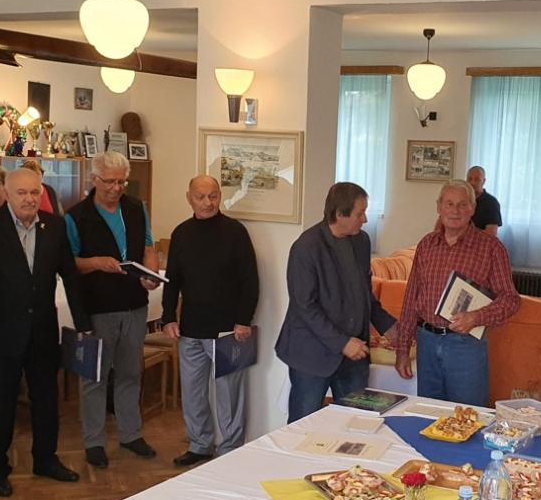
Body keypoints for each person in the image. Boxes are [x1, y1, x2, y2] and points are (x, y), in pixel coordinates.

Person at [0, 169, 91, 498]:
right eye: (21, 193)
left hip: (42, 330)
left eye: (34, 192)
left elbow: (70, 276)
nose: (29, 199)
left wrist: (83, 322)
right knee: (1, 404)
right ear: (6, 194)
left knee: (46, 400)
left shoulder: (54, 225)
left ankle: (46, 459)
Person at [64, 152, 159, 469]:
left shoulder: (136, 208)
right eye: (110, 182)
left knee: (130, 372)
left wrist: (150, 273)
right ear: (94, 179)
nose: (117, 188)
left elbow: (148, 246)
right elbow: (69, 262)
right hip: (98, 307)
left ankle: (131, 434)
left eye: (122, 182)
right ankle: (94, 442)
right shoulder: (76, 216)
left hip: (134, 304)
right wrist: (95, 263)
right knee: (95, 376)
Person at [393, 180, 520, 406]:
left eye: (463, 204)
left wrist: (476, 317)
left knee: (468, 415)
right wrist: (402, 349)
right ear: (439, 207)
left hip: (465, 345)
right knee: (428, 414)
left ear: (473, 208)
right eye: (449, 204)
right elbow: (411, 298)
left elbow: (511, 300)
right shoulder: (426, 245)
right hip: (426, 342)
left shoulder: (491, 248)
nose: (455, 211)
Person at [277, 182, 396, 423]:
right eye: (360, 213)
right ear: (340, 214)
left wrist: (388, 325)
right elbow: (305, 306)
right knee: (303, 426)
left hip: (354, 356)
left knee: (356, 423)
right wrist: (342, 343)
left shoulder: (361, 241)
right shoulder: (306, 247)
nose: (365, 219)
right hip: (312, 355)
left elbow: (364, 292)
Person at [161, 175, 258, 467]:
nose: (207, 202)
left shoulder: (235, 232)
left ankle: (230, 450)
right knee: (192, 393)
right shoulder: (181, 233)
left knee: (230, 395)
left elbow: (250, 280)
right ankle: (200, 444)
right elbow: (172, 280)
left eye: (213, 196)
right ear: (189, 198)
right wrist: (168, 317)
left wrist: (243, 320)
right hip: (190, 328)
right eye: (201, 197)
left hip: (228, 330)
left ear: (220, 196)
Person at [466, 166, 502, 237]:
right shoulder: (461, 199)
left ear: (484, 181)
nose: (472, 182)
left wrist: (464, 233)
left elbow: (491, 234)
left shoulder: (491, 203)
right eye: (469, 179)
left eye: (477, 179)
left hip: (479, 242)